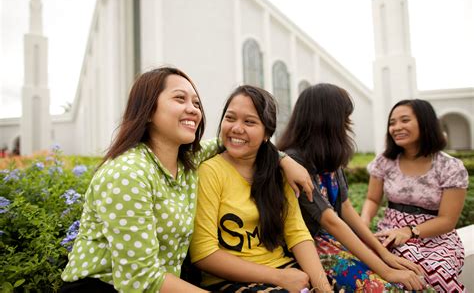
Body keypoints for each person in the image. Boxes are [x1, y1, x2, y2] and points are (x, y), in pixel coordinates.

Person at [60, 67, 314, 293]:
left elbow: (241, 142)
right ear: (147, 110)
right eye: (180, 99)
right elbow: (141, 281)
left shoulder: (187, 160)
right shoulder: (126, 175)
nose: (193, 109)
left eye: (196, 102)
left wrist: (283, 159)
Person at [277, 84, 425, 292]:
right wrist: (386, 270)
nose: (348, 123)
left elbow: (345, 207)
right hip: (312, 247)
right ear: (328, 120)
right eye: (344, 117)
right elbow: (329, 220)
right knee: (387, 287)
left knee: (416, 279)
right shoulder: (294, 162)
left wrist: (383, 253)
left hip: (337, 239)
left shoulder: (329, 157)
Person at [190, 85, 334, 292]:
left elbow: (297, 233)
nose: (237, 128)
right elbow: (203, 253)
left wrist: (323, 288)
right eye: (230, 118)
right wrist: (280, 278)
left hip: (285, 270)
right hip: (231, 280)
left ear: (267, 133)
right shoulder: (210, 172)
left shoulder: (278, 171)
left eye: (249, 122)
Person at [361, 99, 468, 292]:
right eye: (392, 123)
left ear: (425, 123)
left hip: (436, 238)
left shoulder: (450, 167)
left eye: (404, 120)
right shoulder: (385, 161)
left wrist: (409, 231)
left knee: (434, 273)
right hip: (389, 233)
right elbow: (372, 199)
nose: (396, 127)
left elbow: (448, 220)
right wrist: (363, 224)